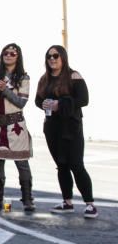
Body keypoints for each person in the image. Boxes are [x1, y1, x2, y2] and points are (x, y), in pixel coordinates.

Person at [36, 45, 96, 218]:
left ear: (63, 57)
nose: (52, 59)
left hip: (71, 126)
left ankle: (90, 204)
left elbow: (84, 99)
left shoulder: (73, 76)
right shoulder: (44, 79)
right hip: (52, 127)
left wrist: (60, 104)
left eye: (55, 56)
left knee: (76, 164)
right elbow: (37, 100)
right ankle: (67, 202)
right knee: (61, 166)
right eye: (49, 56)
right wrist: (44, 105)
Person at [0, 43, 34, 212]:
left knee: (22, 162)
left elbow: (21, 102)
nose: (9, 55)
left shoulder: (23, 78)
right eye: (6, 52)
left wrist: (5, 90)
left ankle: (27, 199)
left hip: (15, 125)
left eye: (13, 53)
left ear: (18, 57)